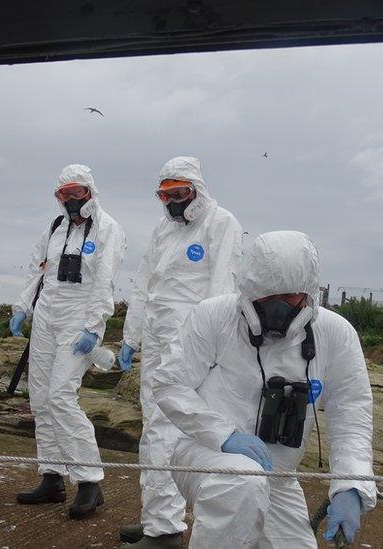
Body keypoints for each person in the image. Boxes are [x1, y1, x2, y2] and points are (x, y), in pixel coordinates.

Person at [153, 231, 377, 548]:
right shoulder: (213, 316)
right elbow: (169, 383)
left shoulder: (335, 333)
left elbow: (351, 410)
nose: (277, 310)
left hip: (279, 475)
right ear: (247, 289)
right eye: (266, 299)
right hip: (205, 452)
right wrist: (223, 434)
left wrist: (351, 484)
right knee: (241, 483)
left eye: (289, 299)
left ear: (308, 294)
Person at [117, 156, 243, 547]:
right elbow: (144, 284)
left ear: (197, 190)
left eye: (180, 193)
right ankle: (155, 515)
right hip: (156, 340)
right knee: (152, 432)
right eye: (165, 194)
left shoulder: (222, 223)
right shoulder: (162, 230)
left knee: (169, 432)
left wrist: (217, 349)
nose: (173, 202)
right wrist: (130, 336)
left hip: (192, 345)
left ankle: (166, 528)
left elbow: (224, 287)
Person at [9, 164, 126, 520]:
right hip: (47, 314)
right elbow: (37, 270)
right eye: (65, 194)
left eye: (78, 193)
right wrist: (23, 307)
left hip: (79, 317)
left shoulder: (108, 229)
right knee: (41, 396)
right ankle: (52, 475)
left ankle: (90, 481)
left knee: (61, 394)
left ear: (90, 192)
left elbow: (105, 281)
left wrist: (94, 326)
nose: (72, 200)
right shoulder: (55, 227)